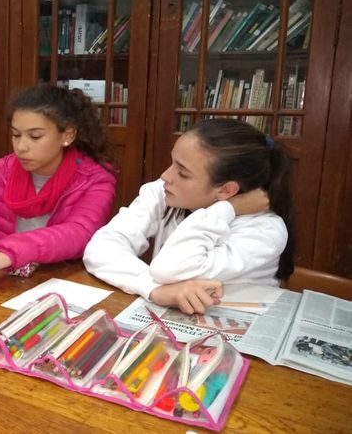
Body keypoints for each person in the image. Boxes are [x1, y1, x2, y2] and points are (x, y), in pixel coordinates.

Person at [83, 118, 294, 315]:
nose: (165, 176)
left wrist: (226, 209)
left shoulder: (265, 230)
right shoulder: (164, 192)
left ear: (226, 190)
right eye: (172, 162)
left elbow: (168, 268)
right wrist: (154, 290)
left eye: (182, 172)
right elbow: (100, 248)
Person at [0, 85, 117, 288]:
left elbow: (78, 233)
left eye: (35, 136)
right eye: (16, 135)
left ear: (68, 135)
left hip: (61, 283)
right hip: (0, 281)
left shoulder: (94, 180)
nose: (21, 147)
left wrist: (10, 252)